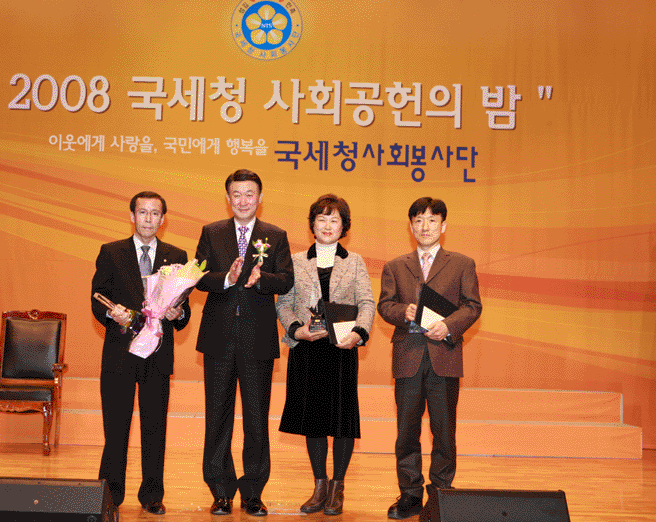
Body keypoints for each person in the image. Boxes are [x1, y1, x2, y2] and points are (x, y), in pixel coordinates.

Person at [194, 169, 293, 517]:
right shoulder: (212, 232)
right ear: (228, 198)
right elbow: (198, 276)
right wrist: (227, 278)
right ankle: (220, 491)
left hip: (257, 340)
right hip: (218, 338)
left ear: (260, 198)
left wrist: (260, 279)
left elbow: (287, 279)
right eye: (236, 194)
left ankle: (253, 492)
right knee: (217, 417)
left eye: (249, 194)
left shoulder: (275, 235)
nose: (243, 200)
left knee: (256, 419)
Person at [378, 197, 482, 519]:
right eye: (419, 221)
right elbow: (385, 305)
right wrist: (403, 312)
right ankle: (409, 495)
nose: (425, 227)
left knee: (444, 431)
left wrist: (448, 326)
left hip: (444, 356)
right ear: (411, 227)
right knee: (406, 432)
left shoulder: (462, 264)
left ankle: (440, 495)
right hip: (408, 356)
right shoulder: (395, 266)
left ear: (443, 225)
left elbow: (472, 305)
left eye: (432, 220)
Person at [91, 191, 191, 516]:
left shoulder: (176, 255)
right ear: (132, 216)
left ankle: (152, 495)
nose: (148, 218)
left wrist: (178, 313)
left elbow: (184, 307)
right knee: (115, 428)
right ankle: (111, 495)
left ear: (163, 220)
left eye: (155, 213)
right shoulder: (111, 252)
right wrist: (112, 313)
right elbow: (97, 298)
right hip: (119, 353)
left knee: (154, 428)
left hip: (157, 355)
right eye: (142, 212)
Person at [275, 194, 375, 516]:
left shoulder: (355, 261)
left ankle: (337, 486)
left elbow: (367, 303)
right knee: (313, 420)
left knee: (343, 421)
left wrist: (358, 333)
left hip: (341, 350)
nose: (328, 225)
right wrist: (296, 330)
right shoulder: (295, 260)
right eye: (322, 219)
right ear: (312, 224)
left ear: (344, 226)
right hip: (307, 350)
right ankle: (319, 485)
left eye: (335, 220)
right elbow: (283, 303)